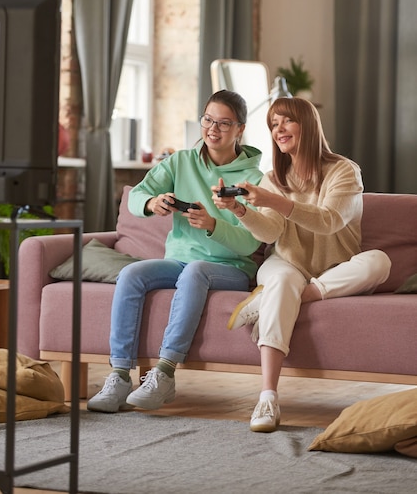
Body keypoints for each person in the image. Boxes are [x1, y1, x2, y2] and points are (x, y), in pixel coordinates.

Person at [213, 97, 391, 433]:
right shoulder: (272, 178)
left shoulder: (344, 171)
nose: (278, 130)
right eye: (273, 124)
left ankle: (273, 301)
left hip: (334, 269)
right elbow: (271, 231)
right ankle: (267, 397)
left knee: (379, 262)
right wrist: (239, 210)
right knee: (280, 281)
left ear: (307, 125)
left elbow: (330, 221)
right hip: (286, 263)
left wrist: (276, 201)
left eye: (286, 121)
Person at [87, 89, 263, 413]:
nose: (213, 129)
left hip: (231, 268)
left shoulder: (255, 177)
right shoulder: (180, 161)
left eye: (224, 123)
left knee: (196, 270)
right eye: (208, 119)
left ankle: (165, 373)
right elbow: (137, 195)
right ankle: (119, 374)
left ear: (240, 129)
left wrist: (212, 224)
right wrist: (153, 203)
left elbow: (251, 243)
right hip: (178, 260)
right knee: (132, 273)